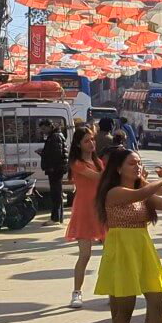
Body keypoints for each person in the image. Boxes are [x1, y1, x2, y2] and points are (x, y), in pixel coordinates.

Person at [93, 149, 162, 323]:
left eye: (139, 163)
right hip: (122, 250)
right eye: (132, 164)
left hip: (142, 247)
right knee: (126, 308)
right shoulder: (114, 192)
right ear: (119, 168)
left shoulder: (142, 190)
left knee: (157, 301)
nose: (138, 167)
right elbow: (141, 195)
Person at [65, 127, 105, 309]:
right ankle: (76, 292)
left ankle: (112, 289)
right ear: (79, 144)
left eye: (92, 139)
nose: (92, 143)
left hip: (101, 210)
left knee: (111, 252)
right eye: (87, 141)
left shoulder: (98, 162)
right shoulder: (77, 163)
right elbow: (98, 177)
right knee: (85, 255)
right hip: (84, 211)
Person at [38, 119, 68, 227]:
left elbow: (56, 155)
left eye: (44, 128)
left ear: (50, 126)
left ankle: (55, 218)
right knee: (57, 193)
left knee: (56, 194)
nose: (43, 131)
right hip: (56, 169)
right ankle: (58, 217)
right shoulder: (55, 136)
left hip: (55, 169)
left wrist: (45, 155)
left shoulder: (55, 137)